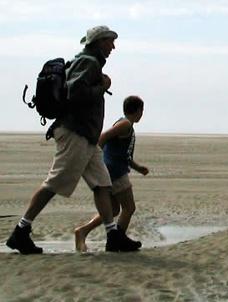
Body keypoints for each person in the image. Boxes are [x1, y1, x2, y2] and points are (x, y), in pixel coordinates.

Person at [6, 25, 140, 254]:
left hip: (86, 136)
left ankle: (112, 235)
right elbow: (76, 93)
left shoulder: (89, 62)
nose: (113, 46)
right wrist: (102, 86)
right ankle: (21, 231)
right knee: (54, 182)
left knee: (102, 183)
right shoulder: (88, 62)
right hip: (75, 133)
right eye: (110, 42)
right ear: (99, 42)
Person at [75, 96, 148, 252]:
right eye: (142, 110)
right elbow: (102, 137)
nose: (143, 114)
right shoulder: (125, 124)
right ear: (137, 110)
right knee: (129, 208)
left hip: (113, 170)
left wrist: (138, 167)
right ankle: (117, 240)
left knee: (113, 210)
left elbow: (125, 155)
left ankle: (83, 231)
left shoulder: (126, 125)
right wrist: (95, 158)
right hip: (115, 172)